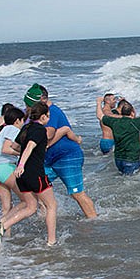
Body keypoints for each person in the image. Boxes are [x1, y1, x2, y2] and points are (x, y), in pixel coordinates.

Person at [0, 102, 57, 246]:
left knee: (31, 206)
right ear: (43, 116)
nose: (49, 118)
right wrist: (22, 164)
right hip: (34, 173)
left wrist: (21, 161)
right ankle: (51, 241)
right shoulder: (41, 130)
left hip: (22, 176)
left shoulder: (25, 128)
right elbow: (30, 146)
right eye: (48, 116)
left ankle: (3, 226)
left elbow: (15, 146)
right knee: (52, 205)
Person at [35, 85, 97, 219]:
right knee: (38, 190)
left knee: (77, 194)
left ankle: (94, 221)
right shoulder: (36, 113)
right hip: (47, 160)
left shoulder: (53, 112)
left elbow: (48, 134)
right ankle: (44, 220)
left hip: (66, 156)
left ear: (43, 99)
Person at [102, 94, 140, 175]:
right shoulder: (136, 122)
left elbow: (101, 115)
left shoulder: (116, 122)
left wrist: (99, 103)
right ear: (132, 112)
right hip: (135, 157)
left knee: (123, 176)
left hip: (119, 158)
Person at [0, 107, 27, 228]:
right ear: (17, 121)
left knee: (6, 207)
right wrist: (23, 154)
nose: (23, 123)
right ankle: (1, 223)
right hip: (5, 168)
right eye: (23, 121)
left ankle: (4, 236)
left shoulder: (2, 130)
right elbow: (6, 149)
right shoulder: (12, 129)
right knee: (27, 201)